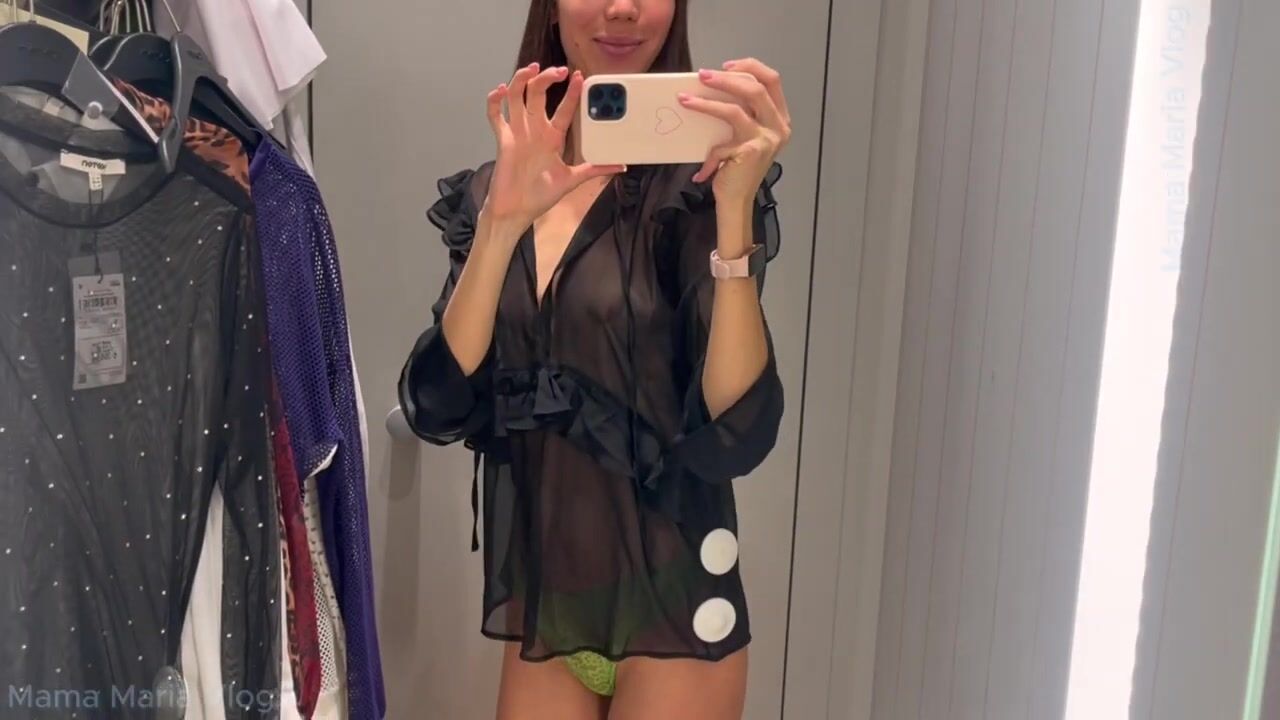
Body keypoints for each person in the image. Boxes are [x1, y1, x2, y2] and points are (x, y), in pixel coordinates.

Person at [398, 0, 791, 717]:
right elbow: (439, 403)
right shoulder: (496, 190)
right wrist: (499, 227)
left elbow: (737, 429)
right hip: (550, 614)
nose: (622, 7)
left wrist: (734, 216)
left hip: (675, 610)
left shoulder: (700, 189)